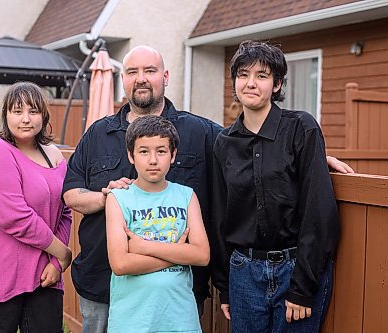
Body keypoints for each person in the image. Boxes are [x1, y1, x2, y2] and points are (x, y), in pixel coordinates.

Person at [63, 45, 352, 333]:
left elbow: (256, 150)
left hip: (183, 292)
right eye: (132, 72)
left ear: (165, 76)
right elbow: (71, 193)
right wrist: (105, 197)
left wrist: (311, 155)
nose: (141, 78)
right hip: (103, 283)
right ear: (121, 78)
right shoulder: (97, 134)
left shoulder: (201, 132)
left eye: (149, 71)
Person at [211, 40, 340, 332]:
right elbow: (220, 217)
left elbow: (318, 211)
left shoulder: (301, 129)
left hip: (295, 269)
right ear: (234, 82)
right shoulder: (224, 143)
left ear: (277, 83)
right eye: (243, 75)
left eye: (262, 75)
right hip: (243, 273)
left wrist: (303, 286)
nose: (251, 83)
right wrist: (225, 286)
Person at [0, 81, 73, 333]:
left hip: (43, 271)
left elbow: (64, 211)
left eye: (33, 111)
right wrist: (63, 252)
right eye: (17, 111)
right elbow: (14, 216)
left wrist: (55, 262)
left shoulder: (53, 155)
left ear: (44, 115)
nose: (25, 119)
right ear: (5, 115)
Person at [106, 115, 209, 332]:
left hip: (179, 320)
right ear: (131, 155)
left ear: (173, 155)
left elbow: (201, 255)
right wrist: (178, 254)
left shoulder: (187, 196)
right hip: (133, 321)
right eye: (144, 151)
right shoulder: (118, 199)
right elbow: (120, 264)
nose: (153, 160)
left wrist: (144, 248)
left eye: (161, 151)